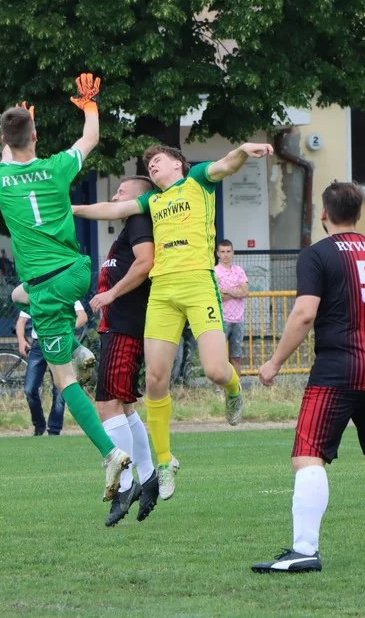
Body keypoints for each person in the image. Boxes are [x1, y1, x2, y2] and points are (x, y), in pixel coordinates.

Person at [73, 140, 274, 500]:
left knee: (215, 370)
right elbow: (109, 207)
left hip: (198, 286)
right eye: (148, 163)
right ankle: (164, 463)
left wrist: (244, 149)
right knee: (154, 380)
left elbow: (227, 164)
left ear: (178, 164)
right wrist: (69, 208)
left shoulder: (197, 180)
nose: (151, 165)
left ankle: (233, 388)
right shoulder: (151, 201)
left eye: (158, 160)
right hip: (163, 294)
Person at [253, 181, 365, 573]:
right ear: (358, 214)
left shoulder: (317, 254)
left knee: (308, 455)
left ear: (324, 213)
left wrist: (274, 362)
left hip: (337, 369)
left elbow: (305, 314)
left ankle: (305, 549)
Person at [0, 74, 131, 502]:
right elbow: (91, 136)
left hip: (49, 285)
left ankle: (110, 455)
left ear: (4, 138)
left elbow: (8, 152)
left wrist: (16, 126)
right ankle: (77, 345)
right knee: (20, 295)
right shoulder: (55, 167)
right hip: (75, 270)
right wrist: (89, 104)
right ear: (35, 136)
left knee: (63, 379)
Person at [89, 176, 158, 526]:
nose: (115, 197)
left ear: (140, 199)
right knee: (124, 405)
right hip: (119, 325)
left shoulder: (140, 220)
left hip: (125, 325)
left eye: (121, 192)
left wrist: (111, 295)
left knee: (107, 405)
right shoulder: (132, 226)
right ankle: (146, 476)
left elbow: (145, 263)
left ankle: (128, 483)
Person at [16, 300, 88, 436]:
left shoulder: (65, 291)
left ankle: (54, 430)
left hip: (60, 344)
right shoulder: (35, 292)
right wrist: (21, 340)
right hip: (38, 345)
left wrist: (67, 330)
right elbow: (21, 321)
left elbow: (82, 316)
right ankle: (39, 425)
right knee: (29, 389)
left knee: (60, 390)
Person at [215, 239, 249, 375]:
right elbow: (217, 296)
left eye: (228, 251)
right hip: (221, 319)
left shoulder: (239, 271)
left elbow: (245, 292)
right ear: (217, 253)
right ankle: (218, 390)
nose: (225, 255)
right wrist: (236, 291)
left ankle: (236, 390)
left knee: (236, 357)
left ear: (233, 252)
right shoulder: (214, 272)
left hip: (238, 319)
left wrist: (227, 290)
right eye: (222, 252)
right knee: (219, 358)